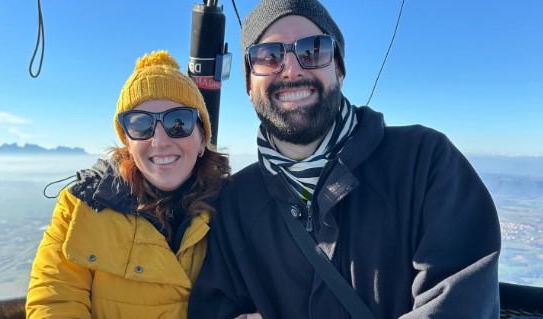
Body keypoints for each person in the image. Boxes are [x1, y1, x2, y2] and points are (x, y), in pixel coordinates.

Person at [188, 0, 501, 318]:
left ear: (338, 68)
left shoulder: (425, 163)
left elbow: (461, 301)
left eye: (313, 50)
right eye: (269, 56)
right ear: (248, 83)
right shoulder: (235, 205)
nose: (293, 69)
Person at [25, 50, 230, 318]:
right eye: (141, 124)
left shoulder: (234, 208)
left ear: (202, 139)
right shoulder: (82, 206)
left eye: (178, 122)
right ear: (128, 144)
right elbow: (54, 301)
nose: (159, 140)